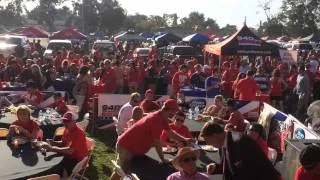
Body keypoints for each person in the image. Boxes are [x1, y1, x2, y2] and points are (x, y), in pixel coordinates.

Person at [110, 99, 193, 180]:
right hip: (126, 147)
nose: (175, 113)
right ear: (170, 110)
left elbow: (170, 132)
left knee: (125, 172)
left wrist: (184, 139)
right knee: (122, 171)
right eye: (174, 111)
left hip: (130, 148)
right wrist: (163, 159)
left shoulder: (161, 117)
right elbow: (157, 143)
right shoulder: (156, 119)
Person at [200, 121, 281, 180]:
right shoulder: (225, 141)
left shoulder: (240, 143)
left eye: (207, 140)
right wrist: (216, 168)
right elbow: (233, 166)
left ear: (215, 135)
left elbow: (247, 174)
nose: (208, 144)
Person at [40, 112, 89, 177]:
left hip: (78, 160)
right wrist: (53, 142)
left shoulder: (79, 133)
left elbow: (70, 151)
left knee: (55, 166)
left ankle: (63, 176)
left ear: (74, 121)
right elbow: (63, 143)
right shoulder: (67, 129)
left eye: (67, 121)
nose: (65, 123)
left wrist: (51, 148)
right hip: (69, 155)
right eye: (64, 120)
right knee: (52, 161)